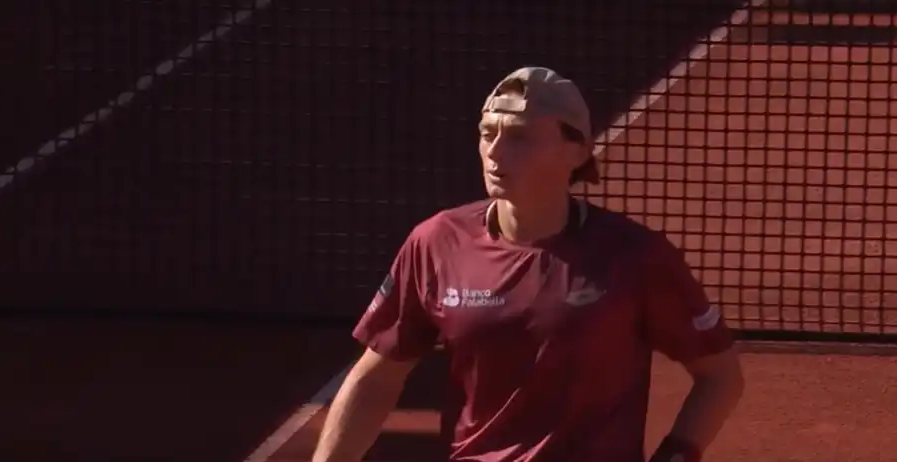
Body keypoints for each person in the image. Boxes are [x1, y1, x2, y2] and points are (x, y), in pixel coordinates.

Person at [312, 67, 745, 462]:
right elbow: (375, 379)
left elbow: (719, 376)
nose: (494, 152)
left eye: (519, 136)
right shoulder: (437, 242)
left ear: (576, 151)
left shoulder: (635, 256)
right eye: (487, 133)